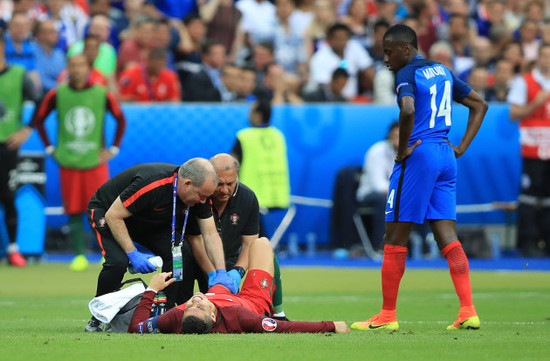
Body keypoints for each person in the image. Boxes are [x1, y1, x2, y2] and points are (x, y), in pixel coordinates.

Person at [351, 24, 488, 331]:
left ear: (407, 49)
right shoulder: (442, 70)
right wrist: (461, 147)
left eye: (389, 51)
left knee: (394, 238)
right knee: (446, 235)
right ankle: (468, 310)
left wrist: (401, 149)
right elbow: (480, 105)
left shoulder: (406, 73)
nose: (386, 58)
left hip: (420, 155)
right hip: (445, 155)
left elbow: (408, 108)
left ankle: (387, 316)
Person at [85, 158, 237, 332]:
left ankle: (169, 312)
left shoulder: (201, 194)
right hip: (108, 212)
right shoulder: (152, 183)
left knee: (180, 253)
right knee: (118, 262)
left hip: (146, 221)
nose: (203, 201)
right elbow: (114, 216)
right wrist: (132, 253)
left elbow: (209, 233)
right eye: (201, 196)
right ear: (187, 184)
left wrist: (221, 271)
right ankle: (97, 318)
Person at [128, 237, 350, 334]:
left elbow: (135, 328)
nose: (194, 300)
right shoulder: (239, 316)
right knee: (261, 244)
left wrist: (151, 290)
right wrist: (331, 325)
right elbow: (286, 329)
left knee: (213, 267)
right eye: (200, 305)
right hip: (251, 300)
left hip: (219, 292)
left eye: (189, 305)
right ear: (214, 317)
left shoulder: (179, 318)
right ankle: (279, 310)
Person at [32, 54, 126, 272]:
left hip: (94, 160)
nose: (76, 69)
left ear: (87, 67)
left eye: (80, 65)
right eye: (73, 65)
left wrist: (113, 148)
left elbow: (120, 118)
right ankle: (79, 255)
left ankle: (107, 254)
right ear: (67, 68)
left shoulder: (102, 93)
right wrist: (50, 148)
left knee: (101, 209)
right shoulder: (57, 93)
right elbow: (39, 119)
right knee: (73, 209)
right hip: (69, 160)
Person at [182, 153, 289, 320]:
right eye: (219, 184)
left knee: (265, 249)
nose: (224, 190)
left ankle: (279, 313)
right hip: (198, 259)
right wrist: (214, 273)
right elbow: (195, 240)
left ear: (237, 177)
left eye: (230, 183)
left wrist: (237, 272)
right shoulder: (199, 196)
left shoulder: (248, 198)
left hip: (229, 264)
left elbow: (249, 244)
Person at [0, 30, 40, 267]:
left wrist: (26, 129)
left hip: (7, 147)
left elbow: (39, 100)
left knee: (7, 196)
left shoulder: (19, 75)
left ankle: (13, 249)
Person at [507, 43, 550, 257]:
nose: (547, 60)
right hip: (533, 148)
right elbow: (513, 114)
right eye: (544, 56)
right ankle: (529, 240)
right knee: (530, 196)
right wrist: (536, 103)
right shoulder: (525, 82)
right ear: (538, 58)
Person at [232, 98, 290, 238]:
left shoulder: (244, 136)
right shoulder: (278, 136)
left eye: (251, 111)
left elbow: (231, 165)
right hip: (280, 196)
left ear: (259, 114)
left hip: (251, 197)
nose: (248, 115)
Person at [356, 121, 399, 251]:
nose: (398, 140)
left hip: (397, 194)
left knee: (422, 198)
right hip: (370, 195)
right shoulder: (377, 151)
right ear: (389, 136)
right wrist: (400, 194)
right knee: (385, 200)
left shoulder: (412, 153)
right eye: (396, 136)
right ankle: (382, 245)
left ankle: (424, 247)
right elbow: (378, 185)